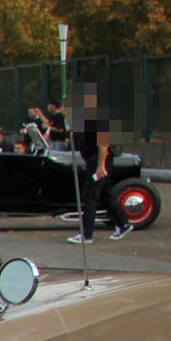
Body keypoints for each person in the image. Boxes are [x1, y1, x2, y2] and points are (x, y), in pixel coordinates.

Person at [66, 86, 129, 244]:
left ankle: (86, 234)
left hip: (98, 161)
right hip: (96, 160)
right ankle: (123, 223)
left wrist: (101, 166)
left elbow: (103, 144)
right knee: (105, 194)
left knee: (90, 196)